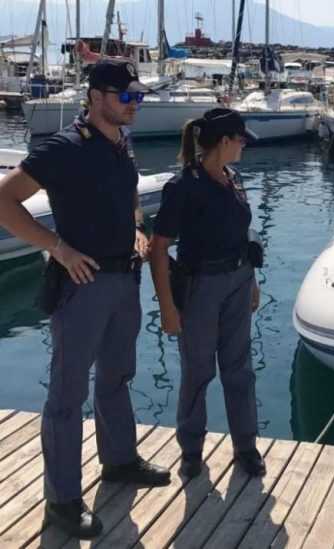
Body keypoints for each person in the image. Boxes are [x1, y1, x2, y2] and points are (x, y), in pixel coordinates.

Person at [0, 58, 170, 539]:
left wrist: (137, 228)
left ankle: (118, 460)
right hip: (83, 283)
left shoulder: (121, 144)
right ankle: (62, 501)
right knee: (67, 396)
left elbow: (129, 197)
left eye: (138, 97)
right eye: (126, 97)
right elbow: (4, 200)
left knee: (117, 377)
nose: (134, 105)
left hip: (124, 279)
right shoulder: (63, 149)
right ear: (96, 96)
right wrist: (56, 246)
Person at [149, 108, 265, 479]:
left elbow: (241, 235)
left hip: (238, 281)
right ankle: (191, 451)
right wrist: (167, 306)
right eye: (241, 139)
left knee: (240, 370)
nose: (245, 145)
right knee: (198, 372)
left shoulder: (235, 178)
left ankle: (245, 447)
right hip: (201, 287)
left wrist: (253, 281)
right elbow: (158, 246)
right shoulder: (184, 186)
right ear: (225, 141)